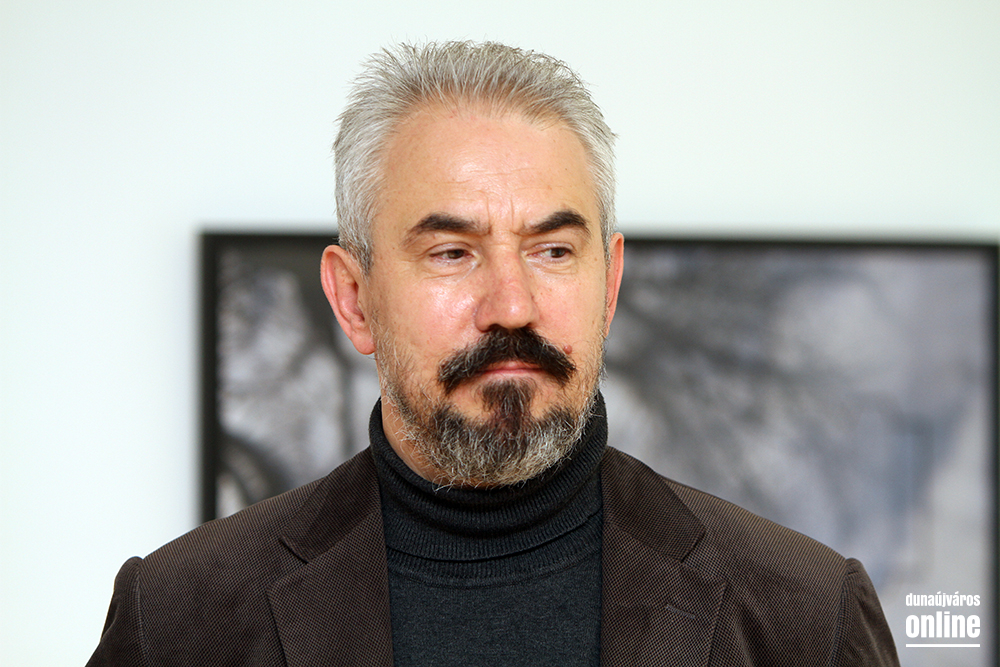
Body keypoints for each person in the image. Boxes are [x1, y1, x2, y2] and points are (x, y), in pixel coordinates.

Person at [87, 41, 899, 666]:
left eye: (553, 251)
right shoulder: (179, 617)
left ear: (609, 285)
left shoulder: (805, 617)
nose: (512, 305)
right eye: (452, 252)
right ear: (354, 298)